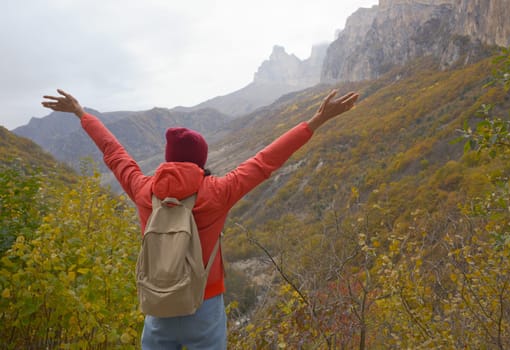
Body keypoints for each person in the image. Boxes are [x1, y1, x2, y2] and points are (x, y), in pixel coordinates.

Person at [41, 88, 359, 349]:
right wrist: (315, 122)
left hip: (158, 304)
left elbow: (115, 153)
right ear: (201, 160)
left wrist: (82, 114)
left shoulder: (143, 190)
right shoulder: (217, 192)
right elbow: (266, 161)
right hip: (204, 305)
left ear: (168, 158)